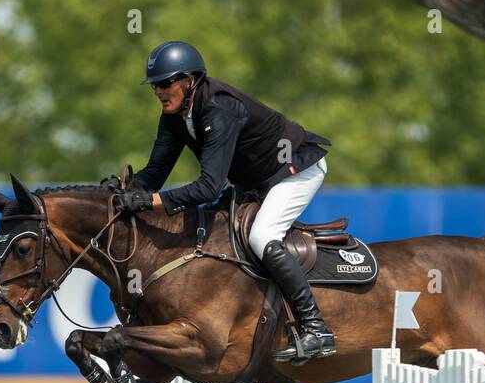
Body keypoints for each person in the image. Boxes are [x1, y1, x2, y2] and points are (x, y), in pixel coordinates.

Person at [120, 40, 336, 364]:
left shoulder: (219, 108)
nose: (159, 92)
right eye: (155, 86)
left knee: (261, 236)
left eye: (166, 83)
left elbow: (208, 187)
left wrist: (150, 201)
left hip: (296, 169)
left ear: (189, 80)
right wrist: (122, 190)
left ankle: (316, 328)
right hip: (257, 181)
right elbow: (154, 173)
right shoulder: (174, 117)